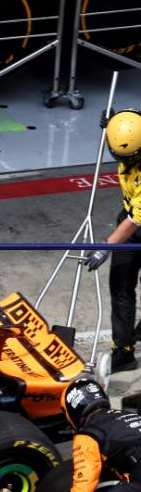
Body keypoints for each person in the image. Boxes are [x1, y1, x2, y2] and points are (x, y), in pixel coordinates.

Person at [84, 110, 141, 373]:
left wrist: (105, 247)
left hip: (135, 221)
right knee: (120, 287)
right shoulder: (132, 130)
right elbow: (127, 124)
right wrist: (113, 122)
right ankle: (124, 351)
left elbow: (135, 222)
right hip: (128, 217)